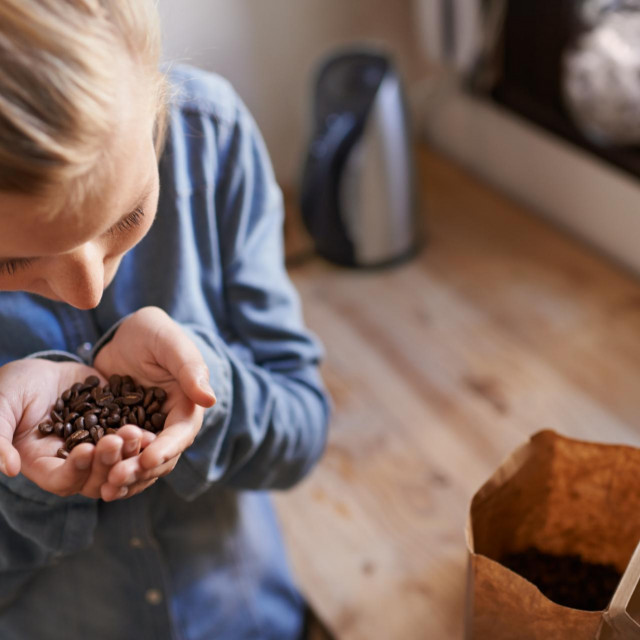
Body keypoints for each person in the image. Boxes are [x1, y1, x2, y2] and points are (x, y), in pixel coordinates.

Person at [0, 1, 330, 639]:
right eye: (11, 261)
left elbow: (304, 428)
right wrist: (23, 487)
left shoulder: (212, 137)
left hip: (247, 618)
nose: (87, 290)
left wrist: (214, 389)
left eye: (126, 217)